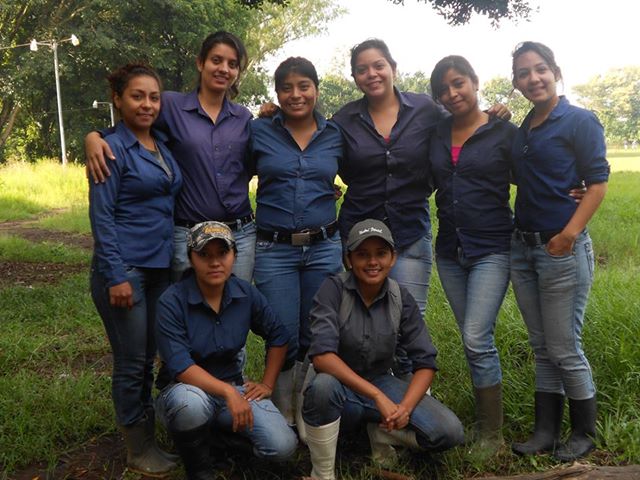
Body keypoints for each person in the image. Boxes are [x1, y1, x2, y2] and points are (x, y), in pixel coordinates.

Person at [85, 31, 256, 283]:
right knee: (187, 306)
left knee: (237, 302)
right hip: (188, 234)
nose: (224, 69)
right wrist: (95, 136)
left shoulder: (244, 118)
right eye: (216, 60)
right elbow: (135, 122)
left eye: (232, 64)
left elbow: (257, 162)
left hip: (238, 234)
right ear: (200, 63)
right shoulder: (171, 106)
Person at [300, 219, 465, 480]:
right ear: (349, 259)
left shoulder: (401, 298)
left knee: (449, 432)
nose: (372, 262)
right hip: (338, 386)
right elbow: (322, 358)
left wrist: (405, 409)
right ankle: (323, 473)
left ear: (393, 258)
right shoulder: (333, 290)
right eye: (362, 255)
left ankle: (381, 432)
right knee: (323, 387)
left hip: (379, 380)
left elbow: (425, 362)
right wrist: (377, 396)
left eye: (381, 253)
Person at [508, 41, 609, 461]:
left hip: (560, 250)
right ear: (516, 83)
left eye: (540, 69)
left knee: (565, 346)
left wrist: (568, 234)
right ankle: (545, 431)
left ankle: (584, 432)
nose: (533, 78)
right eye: (524, 73)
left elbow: (598, 183)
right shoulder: (524, 128)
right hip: (522, 248)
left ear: (555, 71)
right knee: (542, 346)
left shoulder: (580, 120)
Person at [89, 63, 182, 476]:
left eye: (154, 97)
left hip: (159, 267)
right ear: (118, 99)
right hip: (125, 269)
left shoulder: (161, 143)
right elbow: (102, 217)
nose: (147, 104)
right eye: (137, 96)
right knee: (131, 362)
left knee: (148, 359)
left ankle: (149, 436)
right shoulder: (110, 148)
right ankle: (137, 447)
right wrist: (116, 275)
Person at [154, 222, 298, 480]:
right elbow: (180, 366)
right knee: (191, 405)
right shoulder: (171, 301)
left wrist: (267, 384)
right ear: (191, 258)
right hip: (184, 390)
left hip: (232, 388)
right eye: (204, 255)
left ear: (234, 255)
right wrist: (228, 392)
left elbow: (279, 336)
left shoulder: (245, 293)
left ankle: (219, 440)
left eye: (223, 253)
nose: (214, 262)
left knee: (283, 446)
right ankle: (199, 469)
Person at [428, 55, 517, 457]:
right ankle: (484, 422)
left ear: (475, 82)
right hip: (450, 250)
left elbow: (535, 174)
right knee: (471, 340)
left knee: (477, 337)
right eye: (443, 89)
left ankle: (491, 437)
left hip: (492, 248)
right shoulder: (436, 133)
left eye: (458, 83)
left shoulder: (503, 132)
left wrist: (577, 189)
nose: (452, 93)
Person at [250, 57, 343, 426]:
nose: (296, 94)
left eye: (304, 86)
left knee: (316, 332)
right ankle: (281, 412)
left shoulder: (335, 134)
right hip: (274, 249)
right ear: (276, 93)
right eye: (286, 88)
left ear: (316, 89)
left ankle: (308, 409)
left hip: (324, 247)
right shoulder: (259, 131)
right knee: (281, 332)